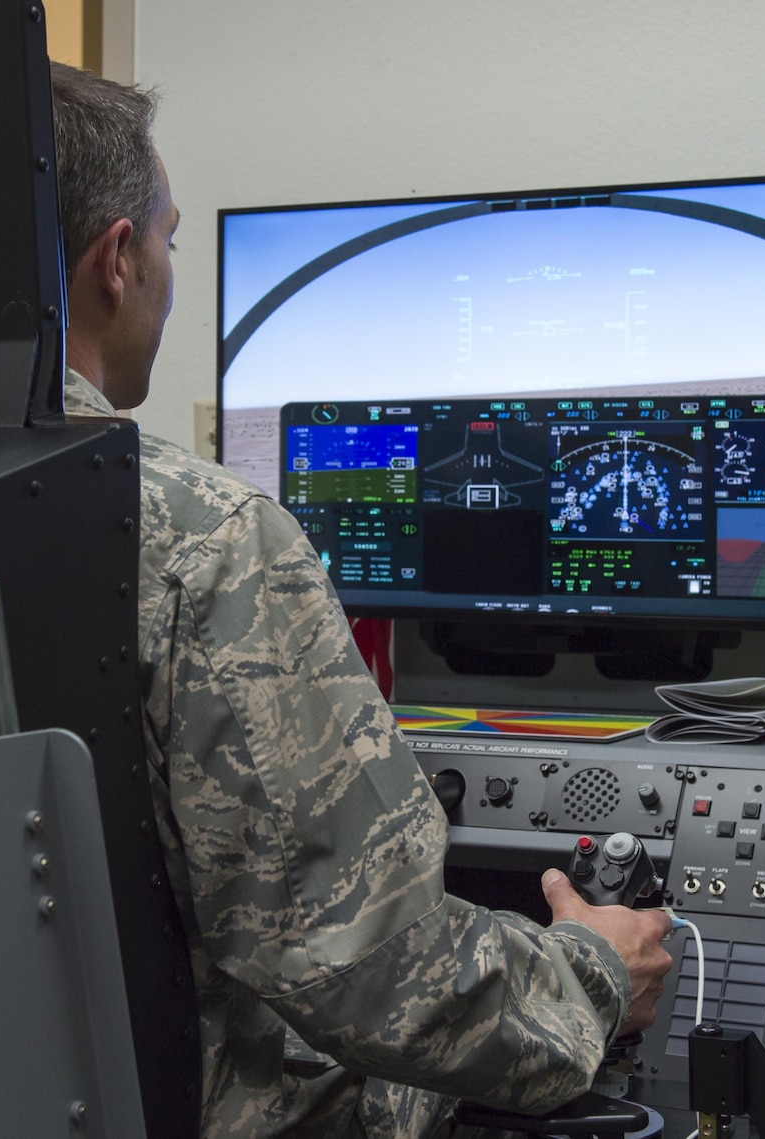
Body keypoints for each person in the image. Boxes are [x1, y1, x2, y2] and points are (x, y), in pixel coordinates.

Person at [49, 62, 674, 1138]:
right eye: (168, 239)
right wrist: (591, 972)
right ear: (117, 260)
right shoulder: (200, 535)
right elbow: (373, 968)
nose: (164, 267)